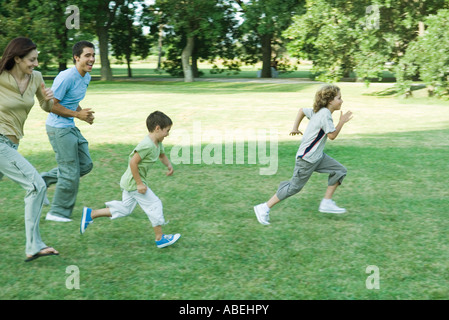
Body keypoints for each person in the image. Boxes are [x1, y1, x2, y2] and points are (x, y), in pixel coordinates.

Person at [253, 84, 353, 225]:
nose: (341, 101)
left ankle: (326, 202)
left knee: (339, 170)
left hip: (317, 156)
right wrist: (341, 122)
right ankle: (263, 208)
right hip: (307, 159)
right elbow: (332, 136)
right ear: (330, 100)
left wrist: (295, 127)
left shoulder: (319, 111)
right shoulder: (324, 114)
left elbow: (302, 111)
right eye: (339, 98)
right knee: (294, 187)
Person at [80, 111, 181, 249]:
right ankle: (160, 238)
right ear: (157, 128)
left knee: (125, 209)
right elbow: (133, 163)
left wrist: (169, 165)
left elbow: (162, 155)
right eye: (167, 131)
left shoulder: (158, 142)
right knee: (154, 204)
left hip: (130, 182)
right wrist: (139, 183)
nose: (168, 134)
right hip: (134, 183)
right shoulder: (147, 145)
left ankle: (91, 214)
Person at [0, 37, 59, 261]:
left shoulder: (36, 78)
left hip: (12, 144)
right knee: (36, 185)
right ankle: (34, 246)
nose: (35, 63)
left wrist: (48, 99)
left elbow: (46, 106)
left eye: (37, 59)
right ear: (17, 58)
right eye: (31, 60)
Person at [41, 41, 96, 222]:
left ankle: (41, 181)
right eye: (87, 55)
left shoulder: (85, 76)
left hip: (69, 125)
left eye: (93, 55)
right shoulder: (67, 77)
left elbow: (71, 99)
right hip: (58, 128)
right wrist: (77, 114)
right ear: (76, 57)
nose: (92, 59)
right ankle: (57, 213)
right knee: (70, 172)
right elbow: (51, 105)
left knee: (85, 164)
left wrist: (82, 114)